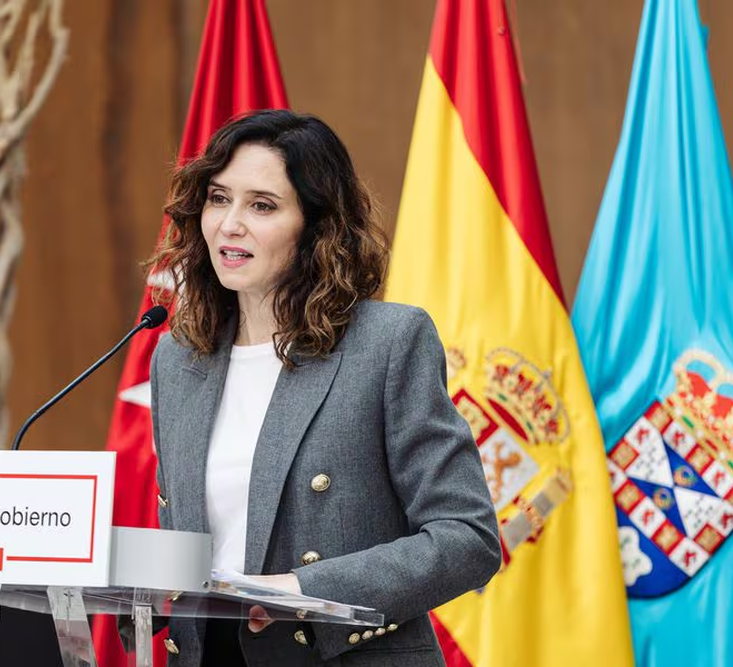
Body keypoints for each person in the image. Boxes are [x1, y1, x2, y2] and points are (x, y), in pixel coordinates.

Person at [146, 109, 501, 666]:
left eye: (262, 206)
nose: (230, 224)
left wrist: (304, 590)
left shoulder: (388, 344)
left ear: (316, 226)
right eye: (219, 198)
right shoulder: (178, 358)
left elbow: (467, 539)